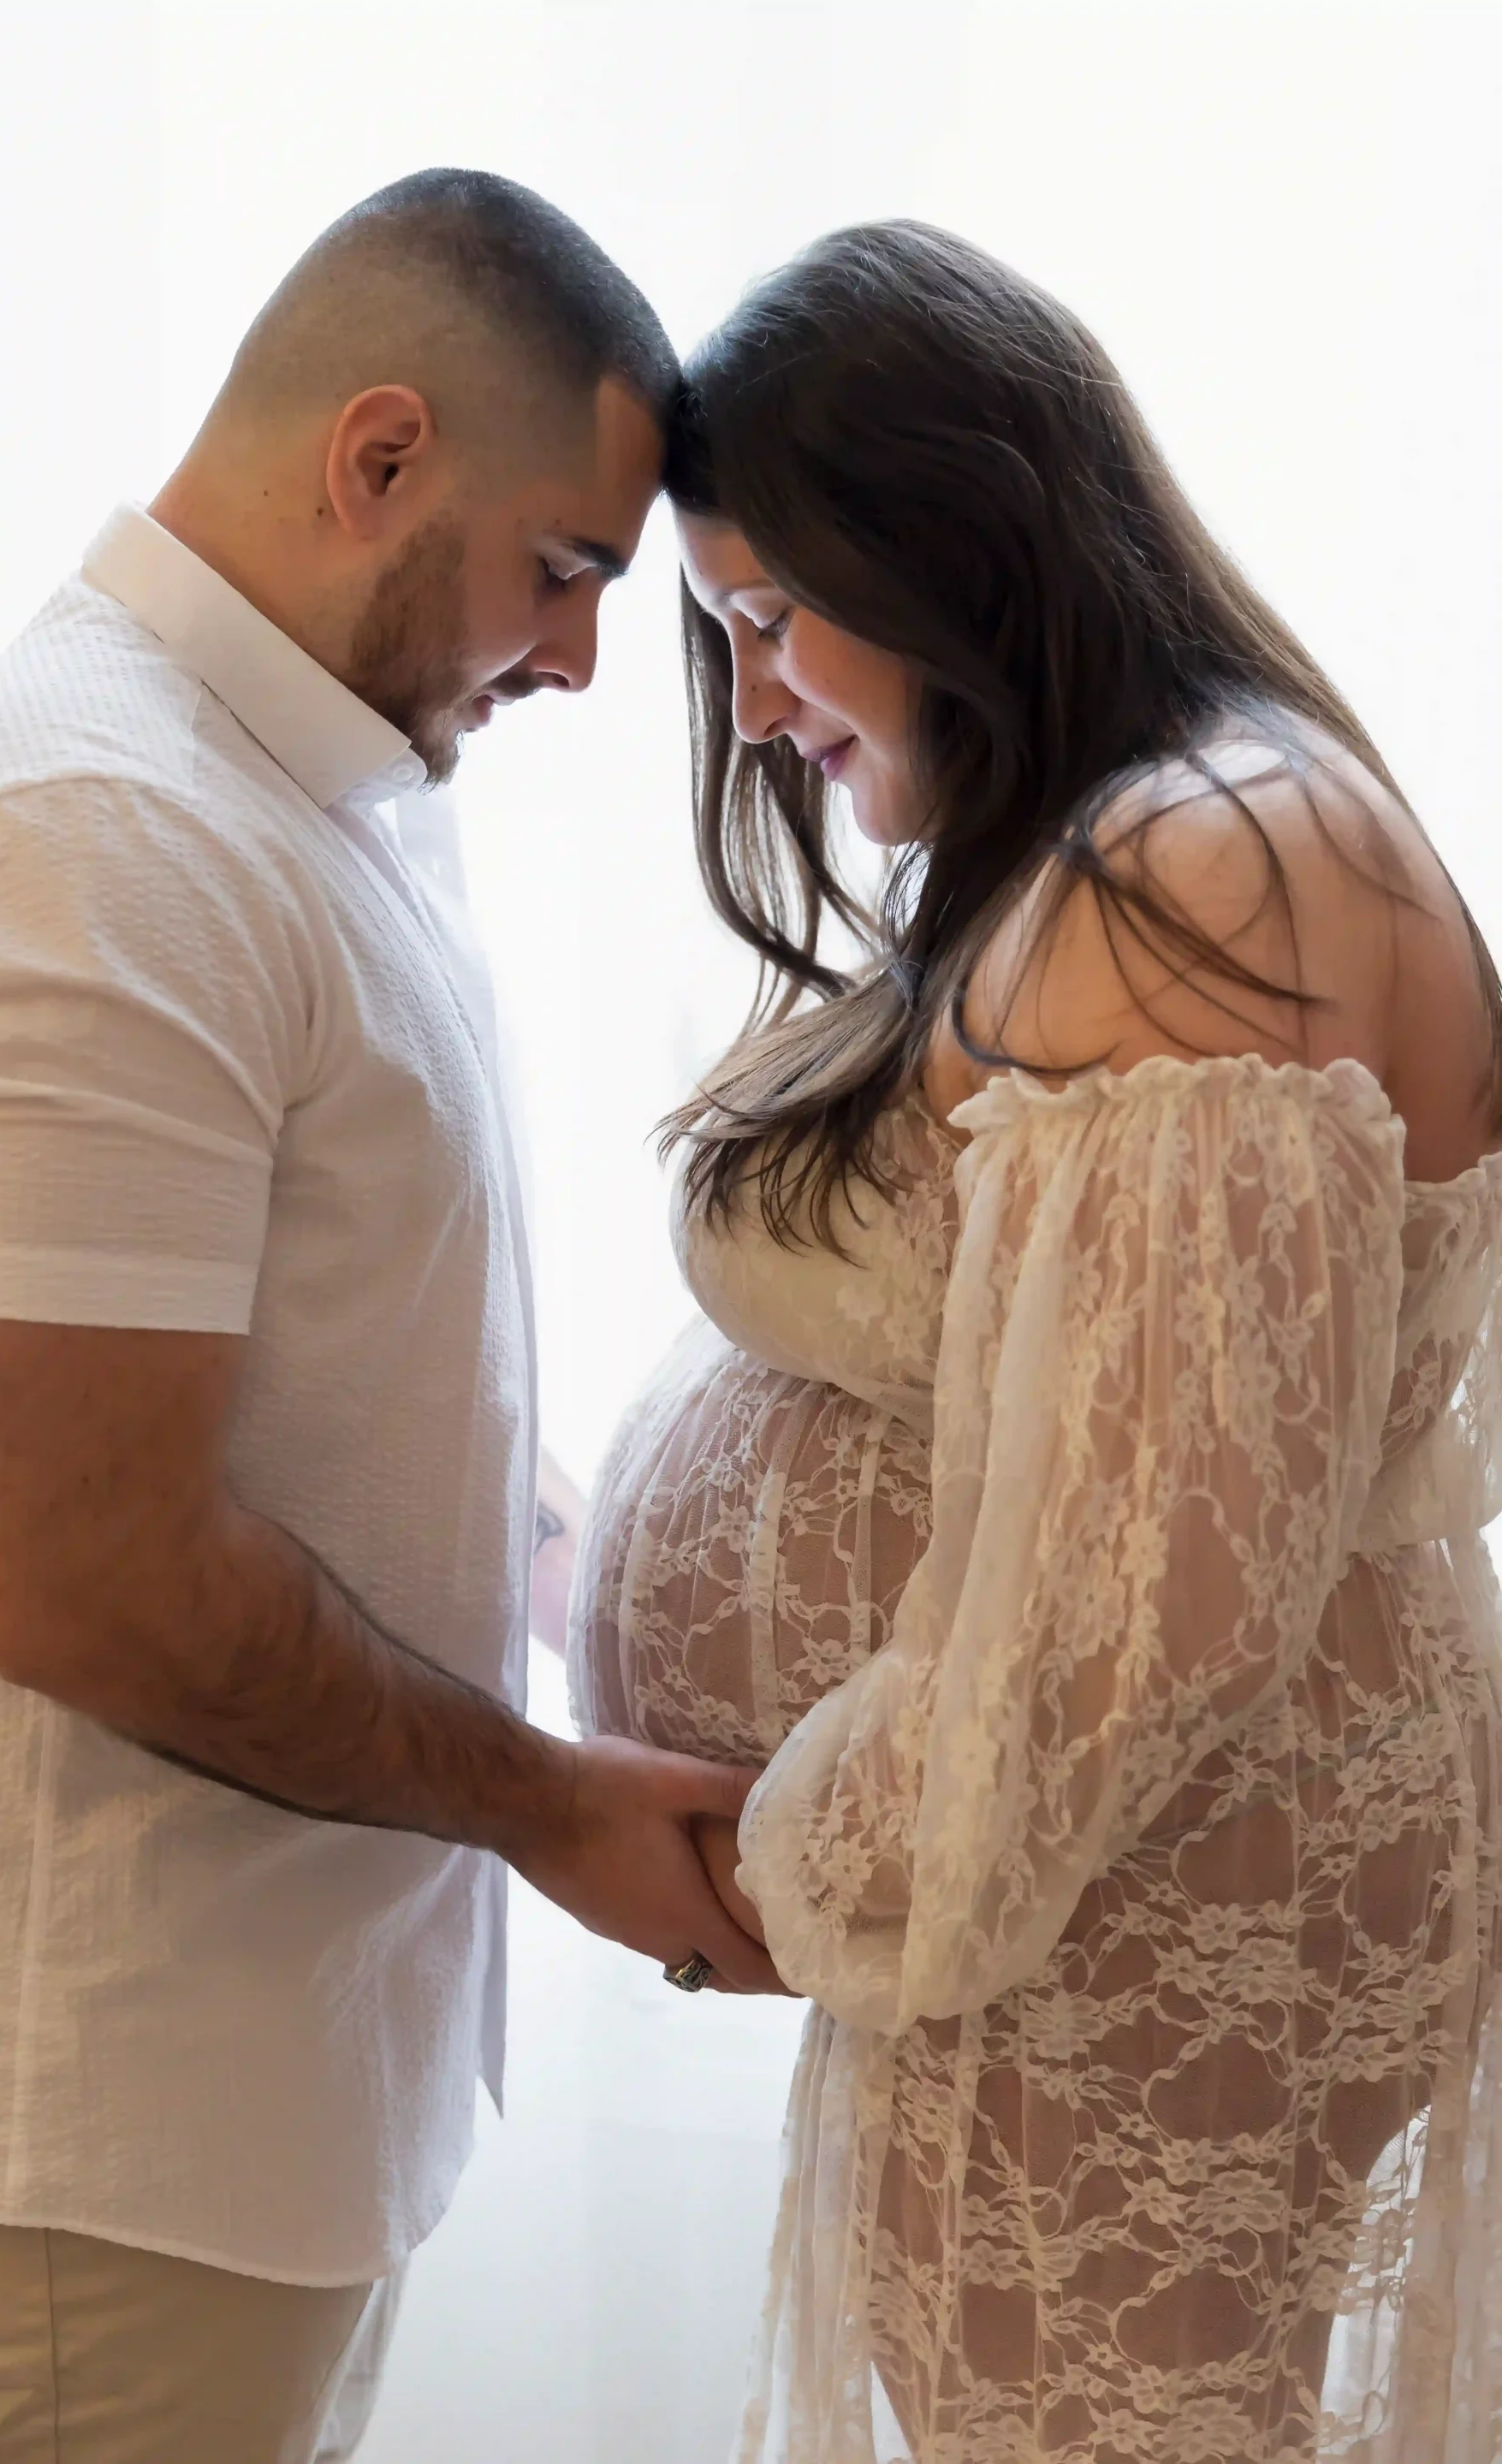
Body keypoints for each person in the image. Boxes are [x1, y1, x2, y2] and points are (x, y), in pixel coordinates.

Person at [0, 167, 778, 2464]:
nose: (581, 659)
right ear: (376, 459)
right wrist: (543, 1803)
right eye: (565, 571)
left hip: (245, 2092)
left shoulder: (287, 786)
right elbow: (88, 1575)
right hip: (107, 2125)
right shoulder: (93, 833)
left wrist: (549, 1538)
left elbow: (302, 1344)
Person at [571, 220, 1502, 2461]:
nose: (762, 705)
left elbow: (1153, 1613)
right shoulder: (1175, 837)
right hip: (1107, 1894)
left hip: (1143, 1892)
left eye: (769, 619)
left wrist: (797, 1876)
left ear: (946, 535)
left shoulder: (1204, 877)